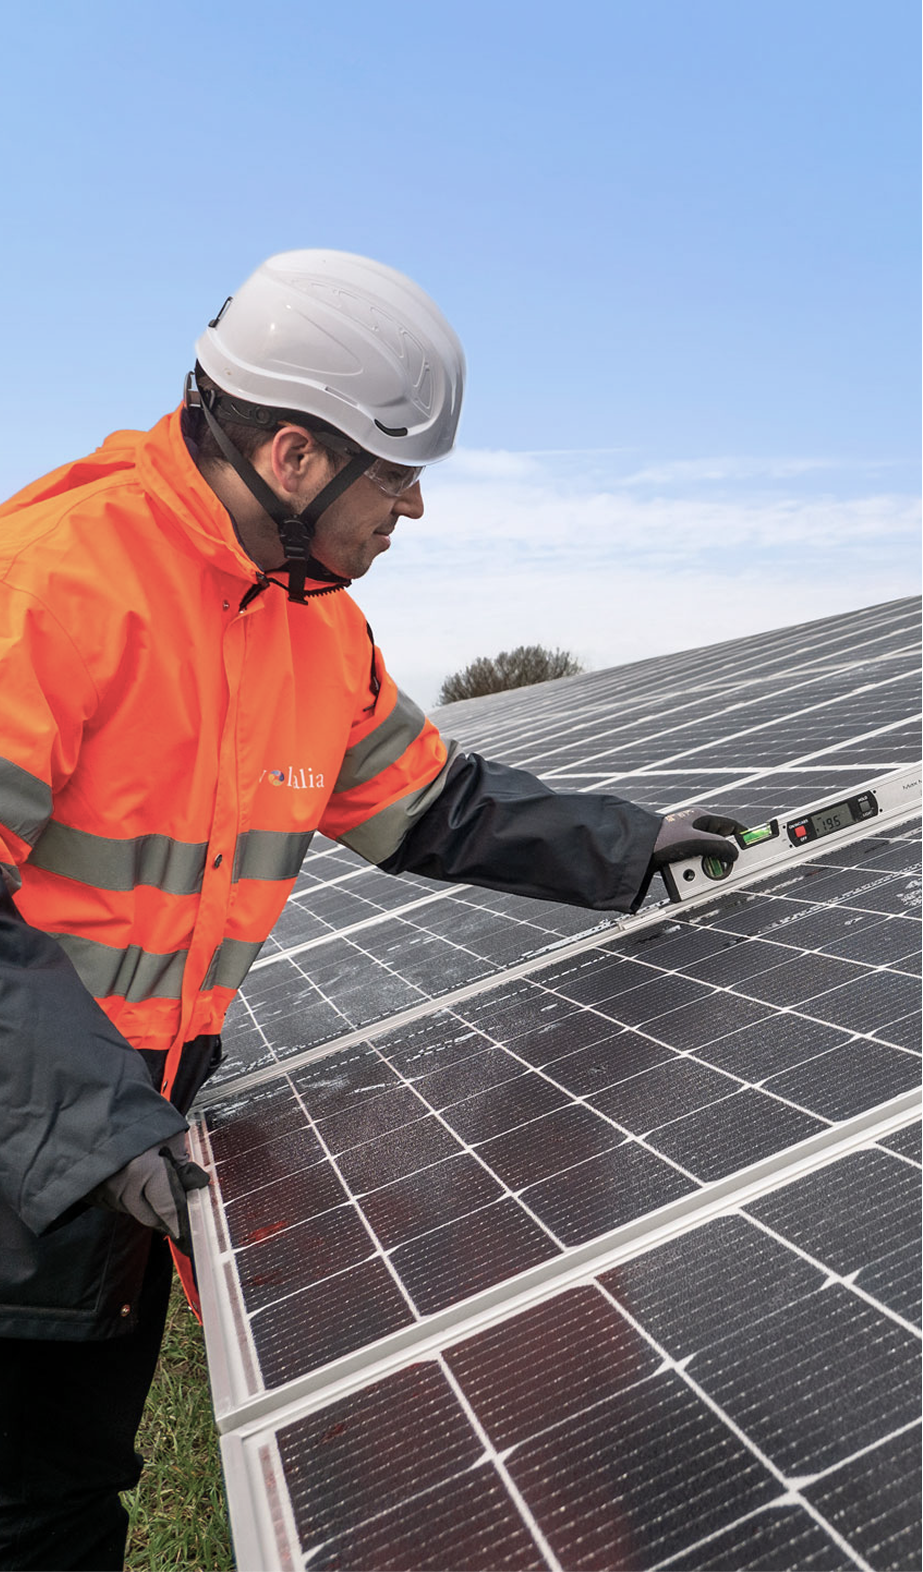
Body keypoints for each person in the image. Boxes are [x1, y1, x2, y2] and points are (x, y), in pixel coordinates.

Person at [0, 249, 745, 1570]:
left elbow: (432, 806)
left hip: (125, 1148)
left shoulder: (315, 630)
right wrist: (96, 1119)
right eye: (395, 477)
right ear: (294, 458)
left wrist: (629, 846)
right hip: (42, 1128)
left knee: (66, 1485)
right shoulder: (54, 580)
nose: (411, 511)